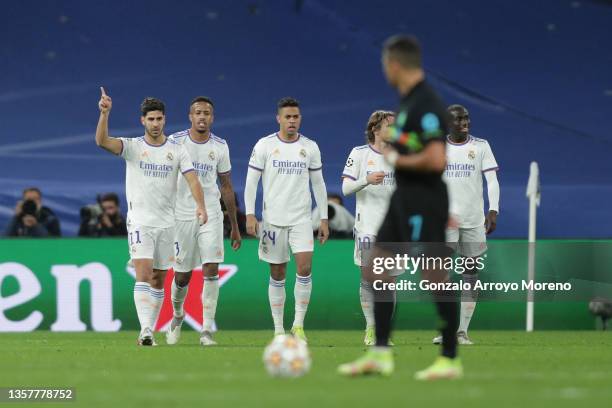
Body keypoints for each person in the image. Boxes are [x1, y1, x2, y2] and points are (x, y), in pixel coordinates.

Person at [339, 35, 462, 380]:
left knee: (434, 277)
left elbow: (436, 159)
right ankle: (379, 353)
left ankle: (449, 358)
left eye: (384, 65)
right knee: (374, 267)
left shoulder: (426, 104)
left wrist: (396, 158)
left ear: (394, 64)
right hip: (403, 200)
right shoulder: (407, 104)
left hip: (424, 200)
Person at [95, 87, 206, 346]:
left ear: (164, 120)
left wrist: (201, 206)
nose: (155, 124)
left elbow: (192, 180)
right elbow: (102, 141)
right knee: (143, 273)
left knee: (158, 278)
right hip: (140, 221)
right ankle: (145, 330)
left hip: (168, 223)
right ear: (142, 121)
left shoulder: (177, 150)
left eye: (159, 119)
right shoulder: (132, 147)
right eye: (151, 119)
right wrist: (105, 113)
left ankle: (149, 330)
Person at [244, 97, 329, 342]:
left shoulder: (310, 147)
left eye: (296, 117)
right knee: (278, 273)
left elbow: (318, 183)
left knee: (304, 268)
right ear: (278, 118)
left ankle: (299, 325)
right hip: (272, 220)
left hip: (301, 219)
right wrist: (250, 214)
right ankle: (278, 328)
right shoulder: (265, 145)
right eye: (288, 117)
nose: (292, 121)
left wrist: (323, 217)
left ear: (300, 119)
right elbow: (251, 182)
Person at [165, 96, 242, 346]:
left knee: (211, 268)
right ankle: (177, 315)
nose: (202, 117)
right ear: (190, 116)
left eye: (206, 113)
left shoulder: (220, 146)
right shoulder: (175, 142)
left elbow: (227, 186)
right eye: (198, 112)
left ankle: (207, 330)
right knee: (182, 277)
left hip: (211, 214)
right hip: (181, 215)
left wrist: (235, 226)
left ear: (212, 117)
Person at [432, 104, 500, 345]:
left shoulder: (481, 146)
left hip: (473, 220)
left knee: (470, 272)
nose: (465, 122)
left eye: (467, 118)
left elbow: (491, 180)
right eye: (459, 119)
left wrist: (493, 210)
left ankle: (462, 331)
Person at [341, 110, 396, 345]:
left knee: (389, 281)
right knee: (368, 277)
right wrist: (366, 179)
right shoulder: (359, 154)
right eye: (390, 126)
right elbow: (345, 189)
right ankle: (370, 328)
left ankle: (383, 331)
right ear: (375, 129)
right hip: (367, 228)